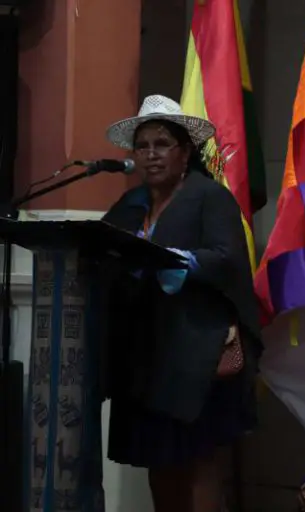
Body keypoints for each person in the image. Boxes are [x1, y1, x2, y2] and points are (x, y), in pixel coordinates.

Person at [100, 95, 262, 511]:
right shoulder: (129, 205)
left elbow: (228, 259)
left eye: (162, 144)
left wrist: (176, 262)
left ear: (185, 151)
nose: (151, 154)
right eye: (142, 146)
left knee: (200, 462)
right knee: (159, 461)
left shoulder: (210, 196)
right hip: (147, 355)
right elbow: (103, 251)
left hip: (198, 356)